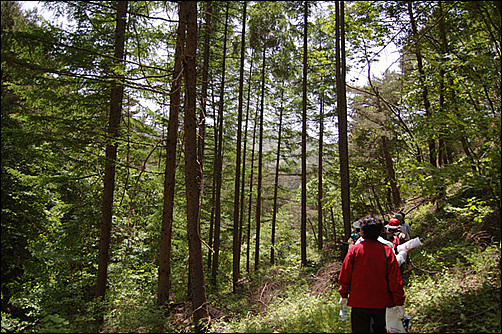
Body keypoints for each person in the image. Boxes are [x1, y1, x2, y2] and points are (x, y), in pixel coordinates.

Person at [338, 215, 405, 333]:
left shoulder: (354, 250)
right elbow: (395, 279)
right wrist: (399, 302)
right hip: (381, 303)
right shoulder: (387, 251)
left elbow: (345, 274)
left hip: (359, 302)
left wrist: (344, 294)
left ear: (362, 232)